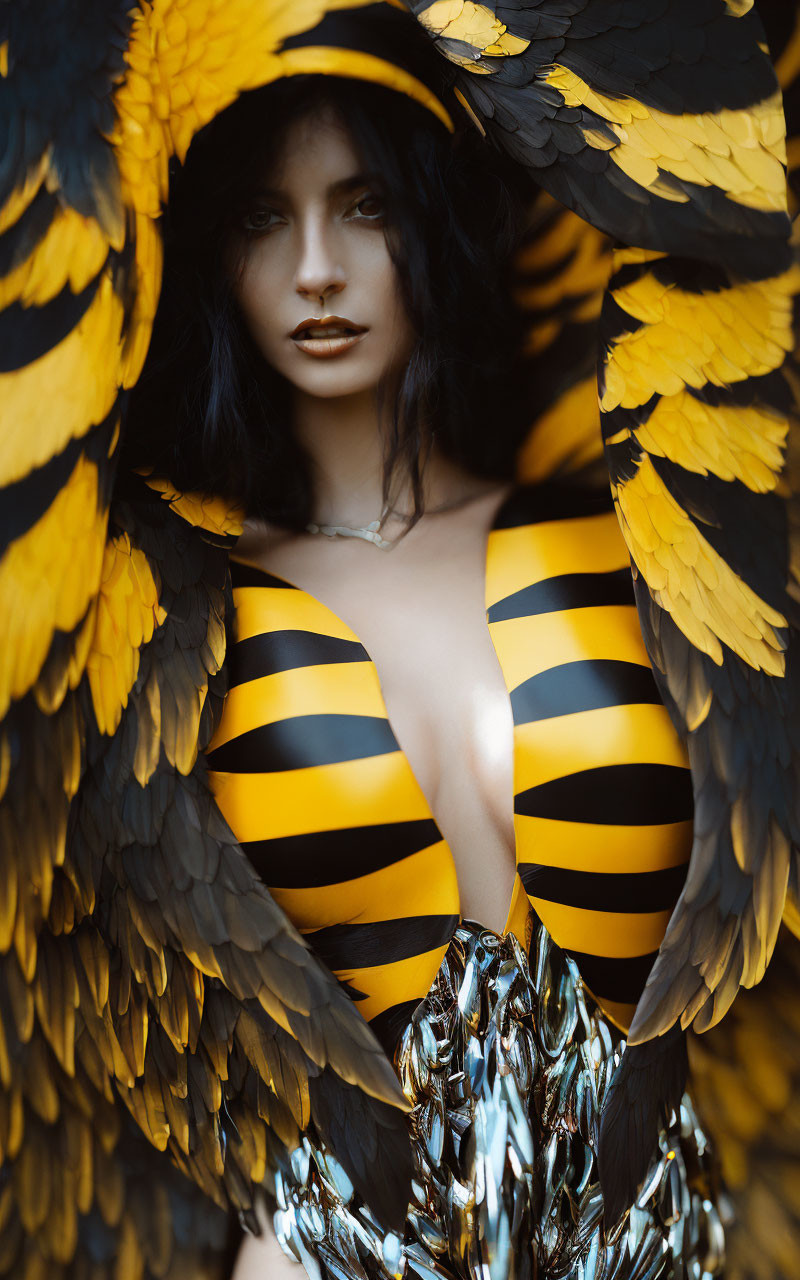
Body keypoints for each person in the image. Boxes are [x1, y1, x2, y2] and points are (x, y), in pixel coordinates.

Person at [2, 4, 798, 1279]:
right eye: (264, 218)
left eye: (363, 205)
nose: (316, 267)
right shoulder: (161, 626)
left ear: (429, 216)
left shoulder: (637, 541)